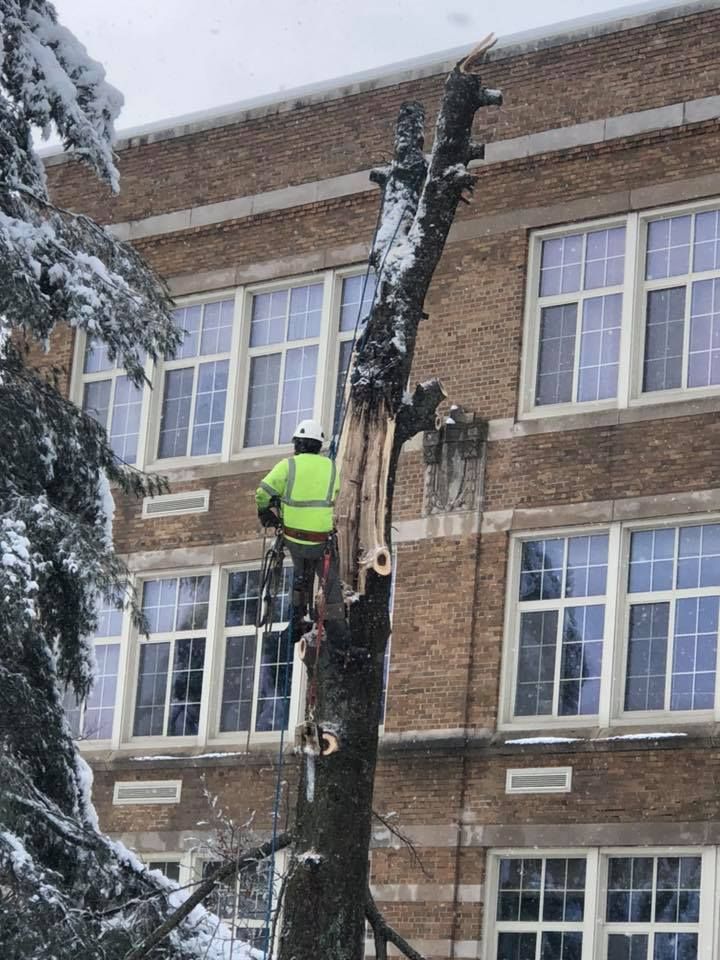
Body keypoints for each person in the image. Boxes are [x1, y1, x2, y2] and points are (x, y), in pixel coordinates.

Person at [255, 419, 350, 654]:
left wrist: (265, 509)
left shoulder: (289, 466)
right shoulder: (330, 467)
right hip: (320, 539)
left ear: (297, 443)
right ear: (319, 445)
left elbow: (262, 492)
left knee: (300, 574)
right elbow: (334, 493)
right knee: (330, 581)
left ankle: (298, 619)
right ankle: (338, 632)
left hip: (295, 538)